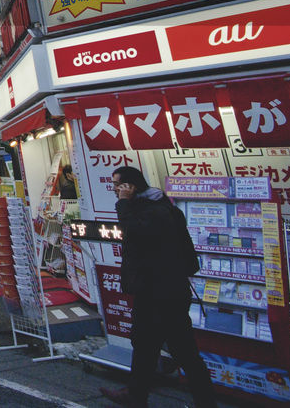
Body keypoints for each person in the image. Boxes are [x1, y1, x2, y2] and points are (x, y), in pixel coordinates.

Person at [102, 166, 216, 408]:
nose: (115, 189)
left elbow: (133, 232)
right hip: (158, 289)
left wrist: (123, 204)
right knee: (145, 345)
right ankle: (136, 395)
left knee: (181, 350)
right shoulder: (155, 206)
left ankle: (204, 401)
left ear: (130, 186)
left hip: (161, 292)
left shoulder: (153, 210)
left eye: (117, 184)